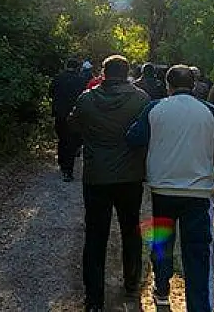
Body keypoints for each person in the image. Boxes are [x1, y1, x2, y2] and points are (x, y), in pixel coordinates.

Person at [127, 65, 214, 312]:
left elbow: (134, 138)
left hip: (162, 190)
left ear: (168, 85)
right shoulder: (210, 111)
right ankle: (198, 306)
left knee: (163, 242)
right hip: (198, 194)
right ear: (194, 85)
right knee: (197, 251)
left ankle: (162, 291)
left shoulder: (155, 109)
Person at [68, 55, 151, 312]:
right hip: (130, 176)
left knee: (95, 235)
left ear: (103, 73)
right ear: (126, 73)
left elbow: (73, 126)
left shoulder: (87, 99)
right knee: (131, 229)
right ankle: (131, 284)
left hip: (97, 177)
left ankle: (94, 299)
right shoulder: (141, 99)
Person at [50, 58, 88, 182]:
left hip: (59, 114)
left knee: (62, 139)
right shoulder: (81, 80)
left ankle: (61, 162)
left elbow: (50, 93)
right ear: (77, 67)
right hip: (74, 115)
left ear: (66, 66)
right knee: (72, 141)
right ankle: (68, 170)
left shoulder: (57, 78)